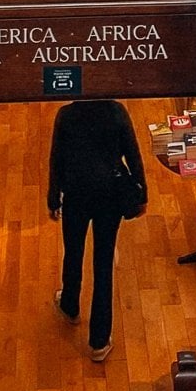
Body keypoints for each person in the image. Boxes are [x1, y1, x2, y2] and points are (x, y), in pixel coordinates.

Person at [47, 98, 147, 362]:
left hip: (76, 193)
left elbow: (56, 158)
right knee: (103, 264)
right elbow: (133, 153)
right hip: (110, 194)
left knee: (73, 250)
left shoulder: (66, 114)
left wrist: (52, 197)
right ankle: (100, 341)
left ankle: (69, 305)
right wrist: (141, 193)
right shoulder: (116, 111)